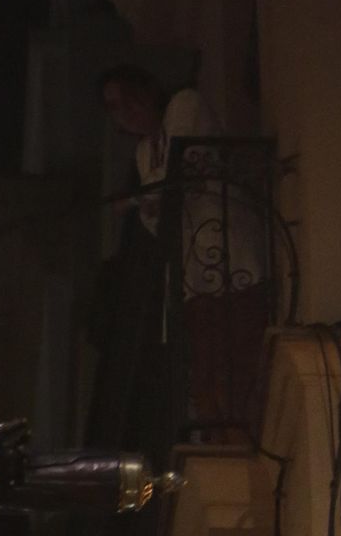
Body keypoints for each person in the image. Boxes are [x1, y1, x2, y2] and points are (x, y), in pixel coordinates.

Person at [100, 63, 269, 435]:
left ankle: (247, 429)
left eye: (130, 99)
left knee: (240, 342)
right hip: (194, 267)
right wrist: (145, 202)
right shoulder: (145, 152)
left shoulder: (185, 106)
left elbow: (178, 175)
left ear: (148, 90)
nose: (126, 111)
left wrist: (135, 201)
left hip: (227, 245)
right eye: (114, 107)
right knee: (206, 356)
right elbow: (157, 217)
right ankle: (219, 436)